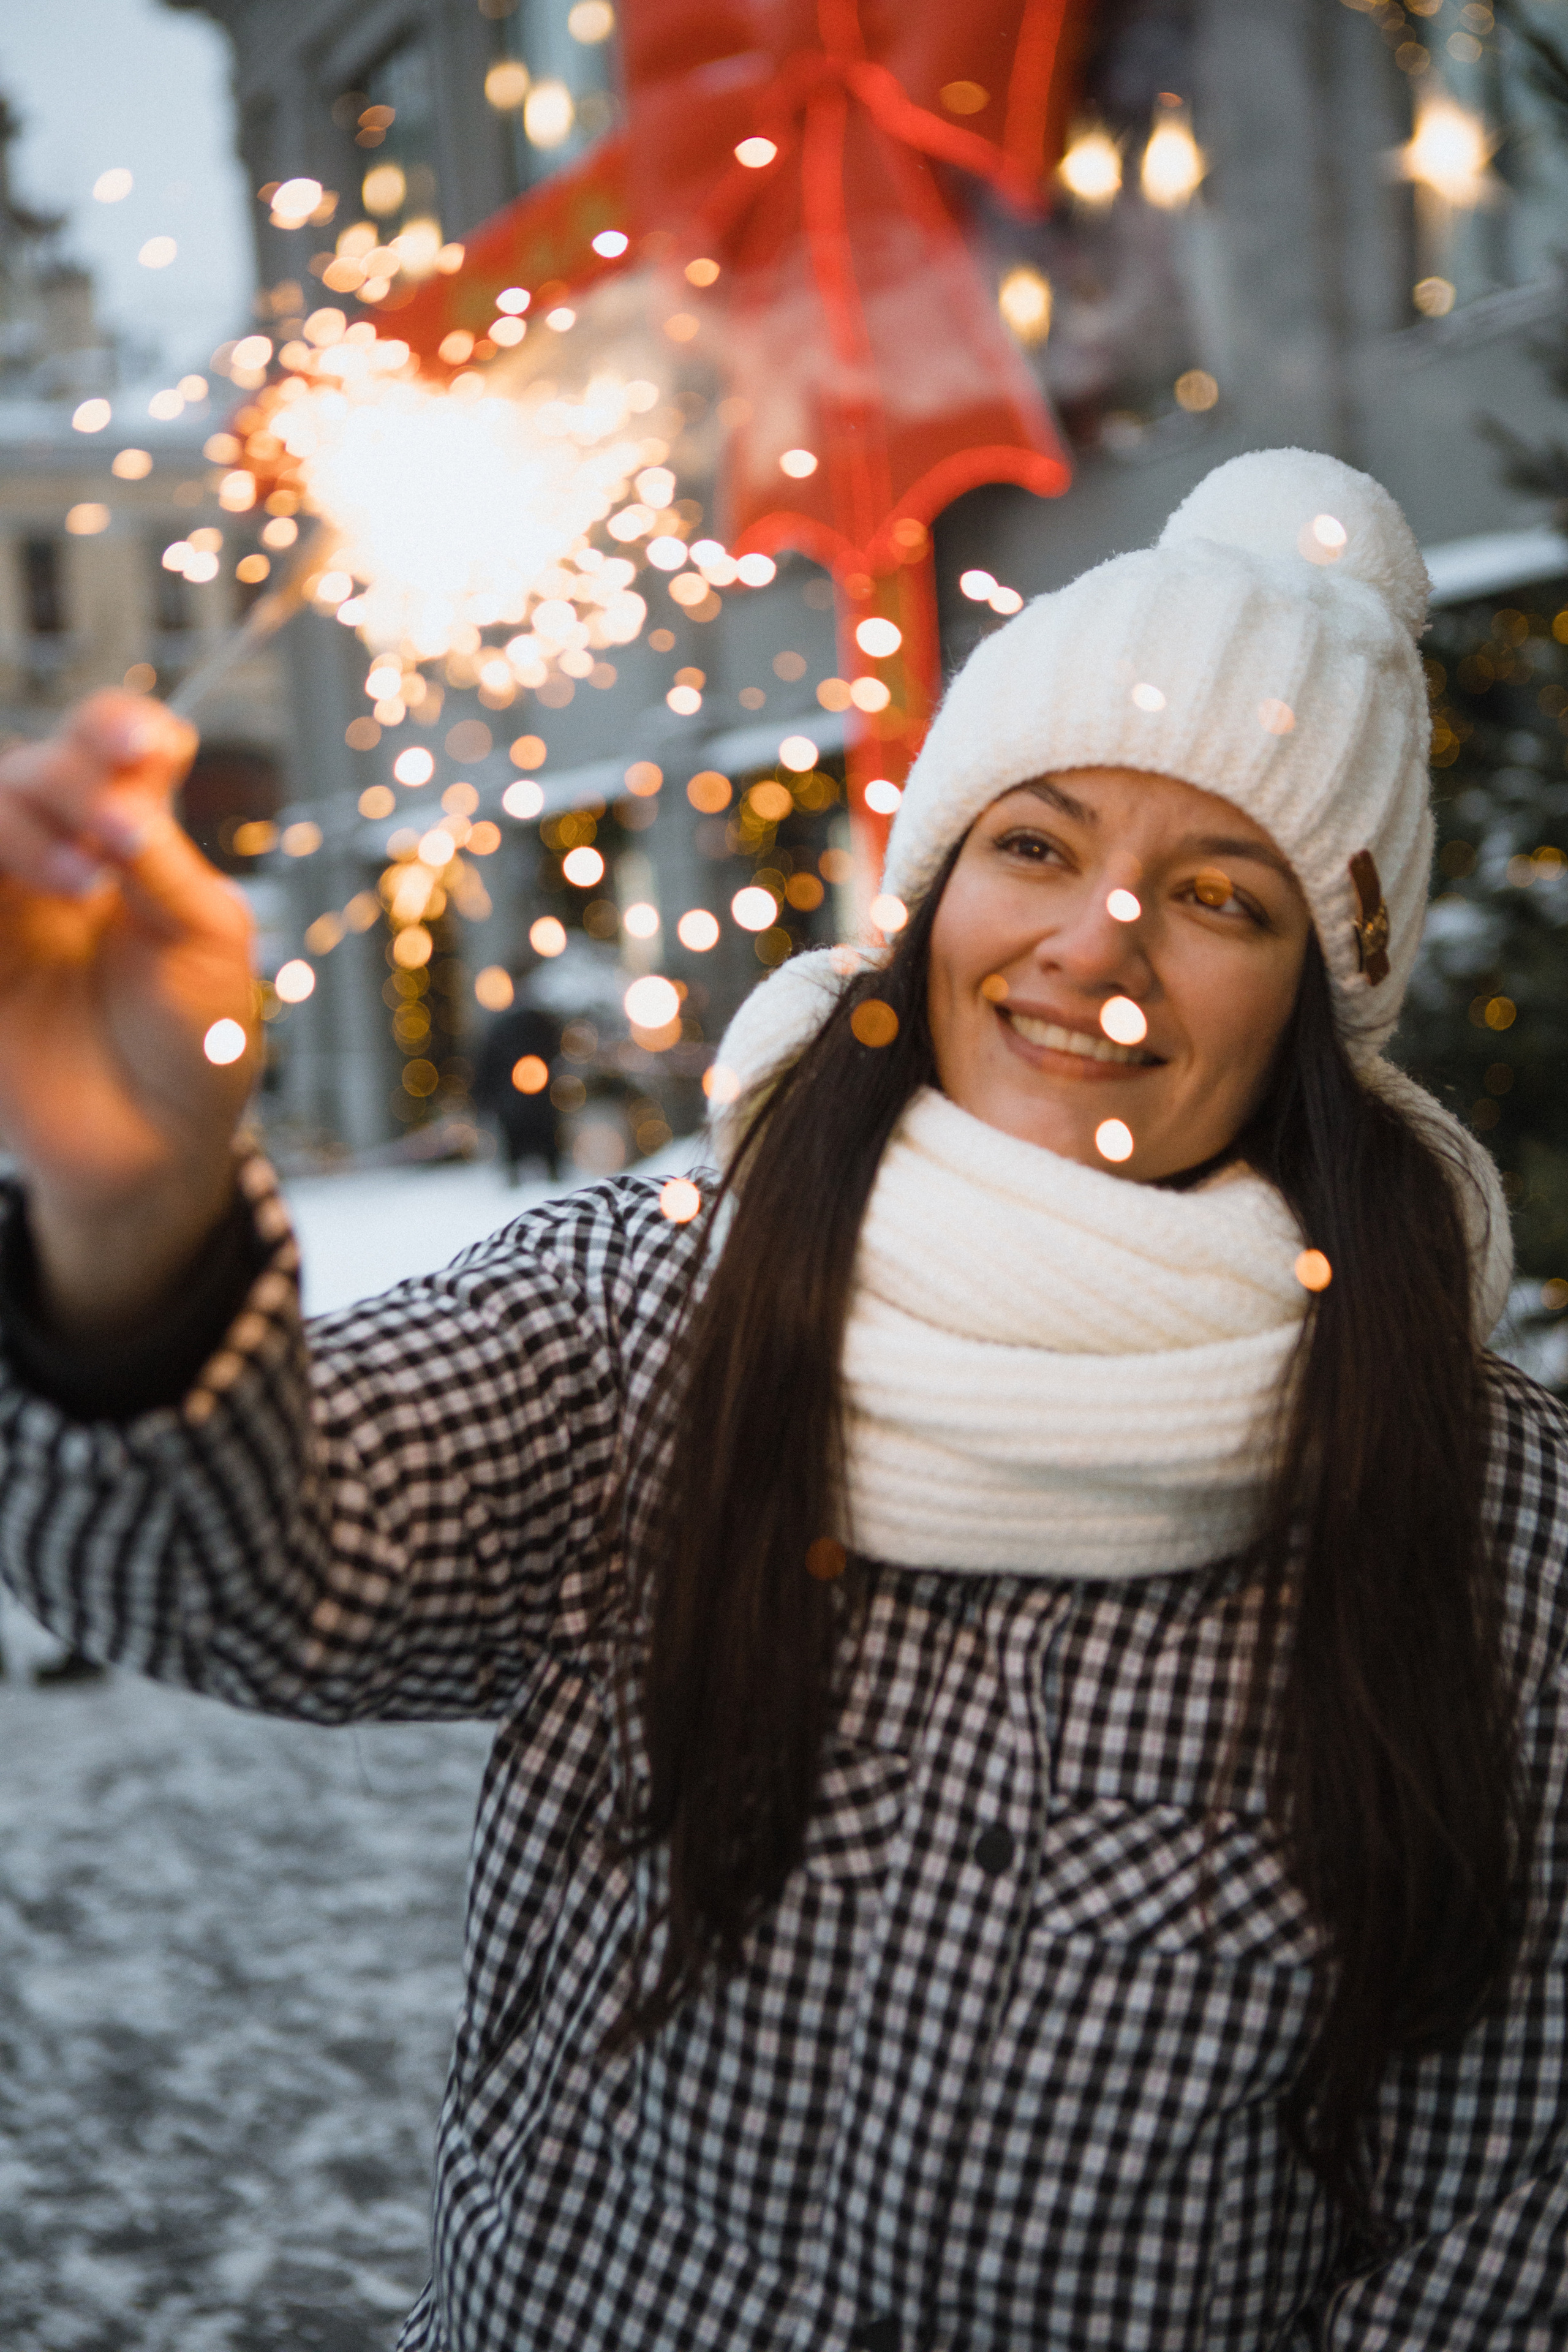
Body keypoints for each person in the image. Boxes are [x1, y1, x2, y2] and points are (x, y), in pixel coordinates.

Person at [0, 448, 1562, 2350]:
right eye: (1037, 845)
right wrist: (133, 1219)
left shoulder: (1495, 1524)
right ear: (930, 897)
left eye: (1218, 894)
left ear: (1319, 999)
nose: (1094, 942)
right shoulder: (656, 1301)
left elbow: (1491, 2226)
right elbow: (237, 1569)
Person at [470, 980, 564, 1182]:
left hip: (515, 1104)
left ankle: (521, 1174)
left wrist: (482, 1103)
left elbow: (486, 1068)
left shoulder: (498, 1029)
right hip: (535, 1103)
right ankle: (547, 1171)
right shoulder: (543, 1024)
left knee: (523, 1141)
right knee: (541, 1139)